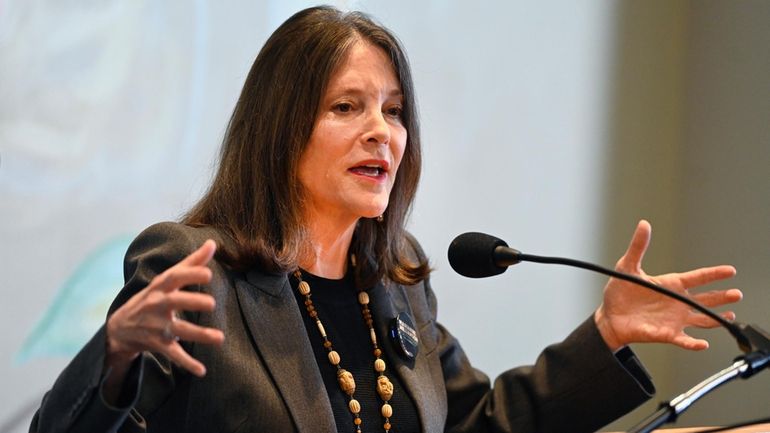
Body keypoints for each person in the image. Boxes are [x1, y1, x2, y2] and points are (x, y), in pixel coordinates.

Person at [29, 6, 742, 433]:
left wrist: (606, 335)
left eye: (394, 110)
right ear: (281, 128)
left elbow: (480, 424)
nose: (383, 132)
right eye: (348, 107)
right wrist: (116, 355)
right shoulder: (196, 269)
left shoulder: (396, 285)